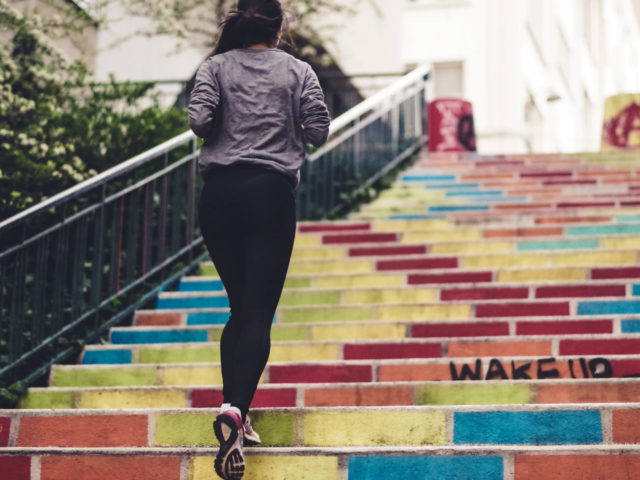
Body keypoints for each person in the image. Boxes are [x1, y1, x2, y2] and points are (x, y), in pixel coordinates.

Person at [188, 0, 330, 478]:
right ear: (278, 27)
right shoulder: (299, 71)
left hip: (219, 196)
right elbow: (318, 131)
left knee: (240, 309)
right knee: (257, 313)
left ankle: (236, 410)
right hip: (270, 195)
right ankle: (234, 410)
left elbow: (199, 122)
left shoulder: (214, 67)